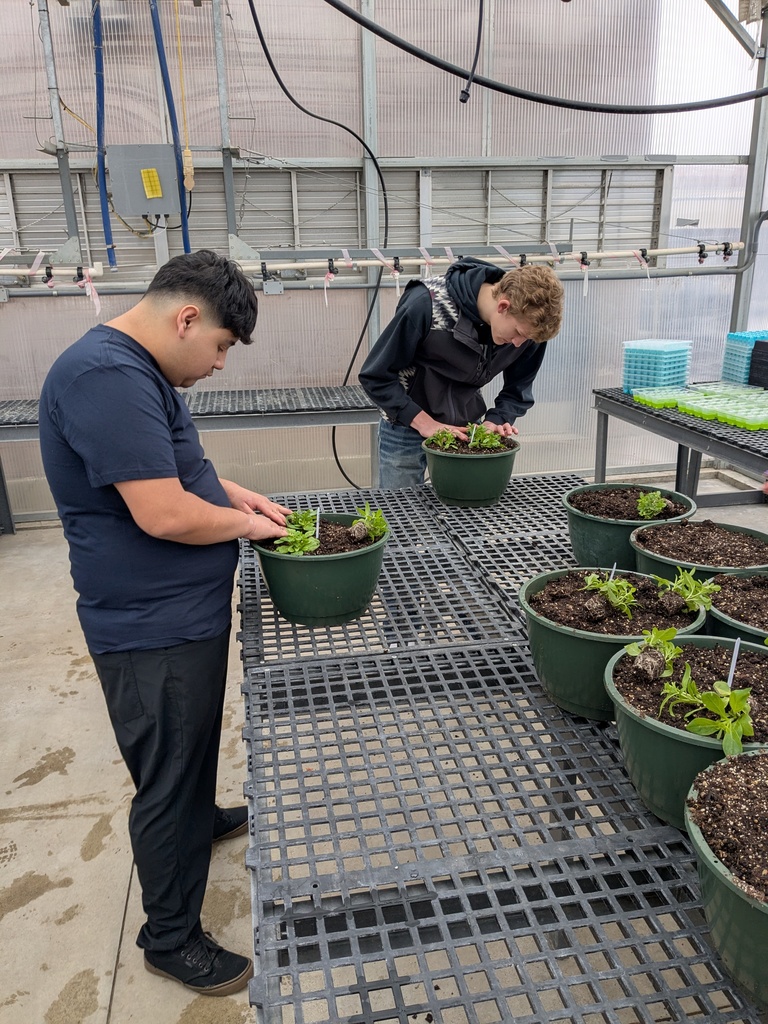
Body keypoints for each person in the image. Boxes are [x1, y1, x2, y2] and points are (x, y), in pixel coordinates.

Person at [38, 250, 290, 997]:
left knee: (188, 745)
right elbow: (167, 511)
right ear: (186, 318)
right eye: (218, 346)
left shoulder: (138, 369)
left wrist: (251, 503)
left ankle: (198, 818)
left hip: (180, 613)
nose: (217, 364)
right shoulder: (105, 377)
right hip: (151, 626)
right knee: (166, 776)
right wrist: (249, 530)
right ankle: (171, 937)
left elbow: (188, 472)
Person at [359, 258, 565, 488]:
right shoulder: (426, 304)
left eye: (527, 338)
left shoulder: (529, 329)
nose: (518, 344)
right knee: (401, 512)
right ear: (503, 306)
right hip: (406, 426)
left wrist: (497, 419)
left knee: (464, 516)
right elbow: (375, 375)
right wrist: (424, 422)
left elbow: (519, 388)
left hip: (466, 429)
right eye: (517, 333)